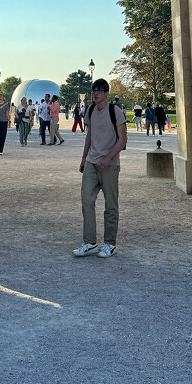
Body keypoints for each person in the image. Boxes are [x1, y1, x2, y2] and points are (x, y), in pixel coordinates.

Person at [73, 79, 126, 259]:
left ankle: (110, 243)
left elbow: (123, 140)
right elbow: (89, 136)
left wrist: (108, 157)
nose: (95, 93)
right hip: (91, 162)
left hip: (109, 164)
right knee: (86, 200)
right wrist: (83, 159)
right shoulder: (90, 110)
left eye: (99, 91)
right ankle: (90, 242)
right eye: (94, 90)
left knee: (111, 205)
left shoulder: (115, 111)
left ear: (106, 93)